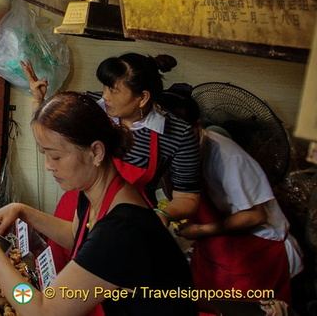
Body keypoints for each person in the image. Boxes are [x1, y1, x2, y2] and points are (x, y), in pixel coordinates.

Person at [0, 91, 196, 316]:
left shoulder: (122, 228)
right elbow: (78, 235)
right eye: (45, 155)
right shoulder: (97, 193)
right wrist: (23, 211)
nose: (48, 165)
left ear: (96, 152)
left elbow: (41, 311)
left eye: (56, 156)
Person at [24, 53, 201, 270]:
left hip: (126, 219)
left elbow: (188, 197)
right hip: (76, 208)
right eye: (105, 87)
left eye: (113, 90)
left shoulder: (177, 133)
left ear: (143, 97)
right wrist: (39, 100)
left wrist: (164, 214)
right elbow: (52, 143)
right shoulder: (94, 108)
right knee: (60, 274)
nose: (105, 96)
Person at [160, 89, 303, 304]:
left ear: (198, 126)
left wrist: (202, 230)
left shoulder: (228, 157)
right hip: (216, 247)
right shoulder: (170, 153)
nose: (172, 146)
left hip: (257, 250)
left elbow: (254, 216)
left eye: (180, 137)